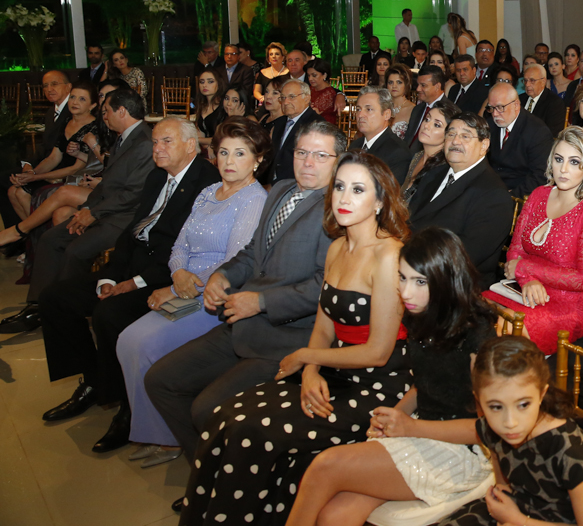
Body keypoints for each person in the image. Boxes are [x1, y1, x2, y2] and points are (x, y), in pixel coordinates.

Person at [178, 151, 409, 525]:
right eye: (339, 187)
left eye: (358, 189)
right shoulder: (338, 247)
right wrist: (312, 371)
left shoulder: (389, 255)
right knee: (227, 414)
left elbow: (379, 352)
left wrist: (305, 358)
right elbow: (323, 327)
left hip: (377, 386)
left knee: (252, 431)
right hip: (332, 371)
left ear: (380, 201)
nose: (344, 198)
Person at [143, 121, 345, 481]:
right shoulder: (281, 189)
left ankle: (232, 487)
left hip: (289, 336)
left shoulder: (338, 210)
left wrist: (262, 302)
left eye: (320, 155)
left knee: (207, 408)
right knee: (161, 380)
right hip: (243, 321)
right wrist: (223, 276)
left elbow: (325, 285)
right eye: (301, 152)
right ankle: (210, 476)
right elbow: (252, 253)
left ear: (338, 160)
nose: (308, 162)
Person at [281, 227, 495, 526]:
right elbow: (428, 383)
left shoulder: (477, 338)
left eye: (420, 281)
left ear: (445, 279)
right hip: (424, 433)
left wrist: (411, 427)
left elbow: (486, 429)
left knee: (325, 466)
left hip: (462, 454)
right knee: (335, 515)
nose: (406, 292)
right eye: (402, 277)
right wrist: (393, 417)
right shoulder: (422, 313)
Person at [34, 119, 223, 454]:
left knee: (109, 313)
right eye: (154, 142)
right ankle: (93, 381)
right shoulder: (156, 176)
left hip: (167, 275)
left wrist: (132, 283)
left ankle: (125, 405)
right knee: (56, 298)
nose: (157, 149)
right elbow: (134, 231)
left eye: (166, 141)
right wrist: (110, 275)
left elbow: (182, 244)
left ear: (191, 145)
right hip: (133, 265)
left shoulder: (205, 182)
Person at [111, 119, 265, 462]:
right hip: (185, 284)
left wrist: (185, 285)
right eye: (223, 152)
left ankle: (168, 438)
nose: (229, 161)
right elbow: (180, 242)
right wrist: (177, 271)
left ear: (257, 160)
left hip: (213, 299)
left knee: (142, 343)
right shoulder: (209, 192)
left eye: (240, 154)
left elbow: (233, 262)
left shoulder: (254, 200)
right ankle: (152, 430)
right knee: (128, 341)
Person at [1, 88, 156, 335]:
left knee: (75, 249)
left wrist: (93, 214)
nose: (104, 117)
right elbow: (106, 185)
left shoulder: (144, 143)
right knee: (51, 238)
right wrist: (85, 209)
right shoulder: (124, 137)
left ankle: (64, 311)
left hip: (124, 219)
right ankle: (38, 306)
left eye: (107, 112)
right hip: (106, 212)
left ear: (122, 111)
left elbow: (132, 195)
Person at [426, 335, 583, 526]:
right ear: (479, 401)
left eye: (523, 404)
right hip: (515, 511)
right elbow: (502, 478)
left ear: (541, 394)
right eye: (496, 407)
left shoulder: (571, 451)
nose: (510, 422)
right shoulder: (493, 427)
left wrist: (518, 520)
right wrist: (503, 500)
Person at [487, 127, 583, 353]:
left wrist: (525, 268)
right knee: (477, 311)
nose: (564, 169)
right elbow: (515, 251)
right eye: (559, 159)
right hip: (524, 290)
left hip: (568, 304)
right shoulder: (539, 195)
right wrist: (527, 279)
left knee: (505, 328)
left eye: (575, 162)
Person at [407, 112, 515, 277]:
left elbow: (464, 258)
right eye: (451, 134)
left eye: (465, 136)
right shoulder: (434, 173)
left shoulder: (494, 196)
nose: (455, 141)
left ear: (484, 145)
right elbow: (409, 219)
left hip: (451, 283)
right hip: (408, 263)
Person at [6, 81, 100, 221]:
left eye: (82, 99)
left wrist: (36, 177)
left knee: (21, 193)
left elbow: (76, 169)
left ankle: (37, 233)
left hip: (76, 178)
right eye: (72, 97)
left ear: (92, 106)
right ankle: (34, 236)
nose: (75, 102)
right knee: (12, 191)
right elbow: (54, 157)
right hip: (58, 171)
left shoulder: (94, 128)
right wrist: (31, 173)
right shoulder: (67, 121)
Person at [349, 85, 414, 182]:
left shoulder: (397, 152)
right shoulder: (355, 145)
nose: (360, 115)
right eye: (358, 109)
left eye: (369, 109)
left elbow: (389, 194)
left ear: (387, 114)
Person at [402, 100, 459, 197]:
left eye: (437, 125)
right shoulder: (417, 156)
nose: (426, 126)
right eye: (427, 119)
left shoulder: (444, 169)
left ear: (449, 135)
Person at [271, 80, 324, 182]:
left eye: (291, 97)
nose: (286, 102)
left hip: (296, 185)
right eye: (283, 98)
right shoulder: (279, 123)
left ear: (306, 98)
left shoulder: (315, 124)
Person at [403, 66, 448, 147]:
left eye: (423, 85)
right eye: (418, 85)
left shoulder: (449, 112)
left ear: (437, 86)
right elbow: (408, 139)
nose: (418, 89)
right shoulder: (417, 109)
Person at [520, 61, 567, 134]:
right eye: (525, 81)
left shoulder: (555, 103)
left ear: (543, 81)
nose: (527, 84)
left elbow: (552, 134)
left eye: (532, 80)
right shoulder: (519, 99)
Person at [192, 69, 228, 157]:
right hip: (206, 149)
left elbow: (221, 138)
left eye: (210, 82)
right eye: (202, 82)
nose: (205, 85)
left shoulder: (225, 106)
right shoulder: (202, 105)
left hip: (222, 150)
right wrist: (207, 145)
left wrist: (194, 139)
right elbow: (201, 133)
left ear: (219, 84)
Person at [304, 58, 347, 125]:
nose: (310, 78)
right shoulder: (311, 89)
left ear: (324, 75)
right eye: (308, 75)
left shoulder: (329, 93)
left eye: (314, 75)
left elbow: (312, 112)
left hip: (324, 129)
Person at [383, 65, 416, 138]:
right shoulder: (381, 107)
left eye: (399, 82)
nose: (394, 86)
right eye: (390, 82)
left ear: (406, 84)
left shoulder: (413, 110)